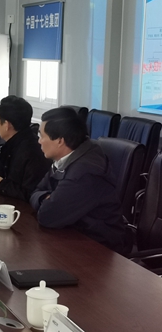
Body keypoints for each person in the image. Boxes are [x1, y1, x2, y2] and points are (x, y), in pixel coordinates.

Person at [30, 108, 127, 254]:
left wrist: (50, 199)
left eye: (42, 136)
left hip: (100, 249)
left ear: (60, 141)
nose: (39, 141)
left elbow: (47, 216)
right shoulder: (68, 157)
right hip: (73, 234)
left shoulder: (84, 172)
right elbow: (36, 191)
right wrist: (46, 197)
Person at [0, 96, 51, 201]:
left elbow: (30, 194)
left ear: (6, 125)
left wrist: (1, 184)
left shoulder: (32, 151)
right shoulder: (13, 144)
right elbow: (4, 171)